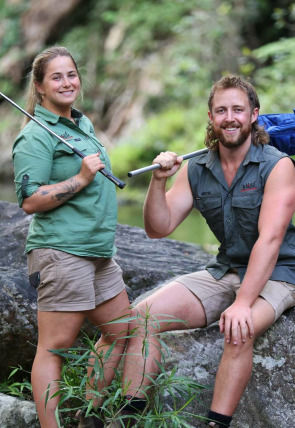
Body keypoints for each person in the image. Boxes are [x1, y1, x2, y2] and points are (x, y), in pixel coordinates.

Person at [119, 75, 295, 427]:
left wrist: (243, 304)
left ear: (254, 116)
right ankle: (128, 417)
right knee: (143, 316)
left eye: (238, 110)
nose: (230, 117)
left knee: (238, 329)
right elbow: (158, 228)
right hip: (226, 269)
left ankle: (216, 423)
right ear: (211, 118)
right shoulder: (197, 167)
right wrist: (159, 181)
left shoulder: (278, 165)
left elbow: (271, 241)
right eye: (221, 110)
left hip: (280, 273)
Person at [12, 46, 130, 428]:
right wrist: (79, 178)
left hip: (98, 252)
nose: (67, 82)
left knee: (120, 330)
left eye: (71, 74)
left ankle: (87, 414)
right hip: (62, 252)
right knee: (55, 349)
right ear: (40, 87)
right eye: (57, 77)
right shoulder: (35, 135)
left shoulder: (81, 125)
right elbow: (29, 201)